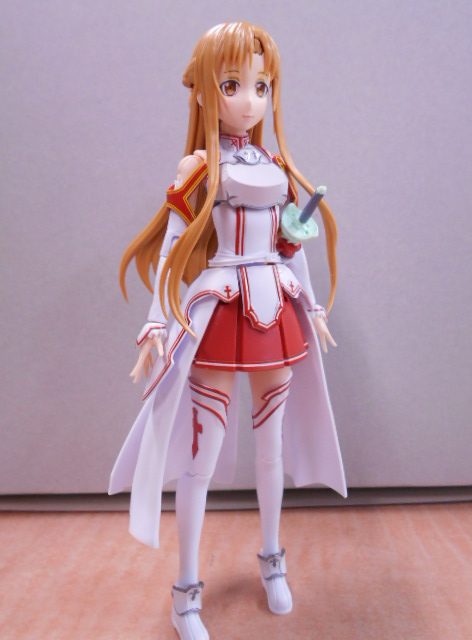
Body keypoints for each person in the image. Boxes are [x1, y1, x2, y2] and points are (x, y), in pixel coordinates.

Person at [108, 21, 348, 640]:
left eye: (261, 87)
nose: (250, 101)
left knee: (272, 449)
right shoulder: (198, 168)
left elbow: (292, 244)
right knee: (201, 458)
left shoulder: (273, 164)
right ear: (203, 91)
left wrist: (313, 306)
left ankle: (272, 560)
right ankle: (185, 591)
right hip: (220, 308)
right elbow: (171, 245)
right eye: (233, 85)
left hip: (275, 310)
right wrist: (156, 319)